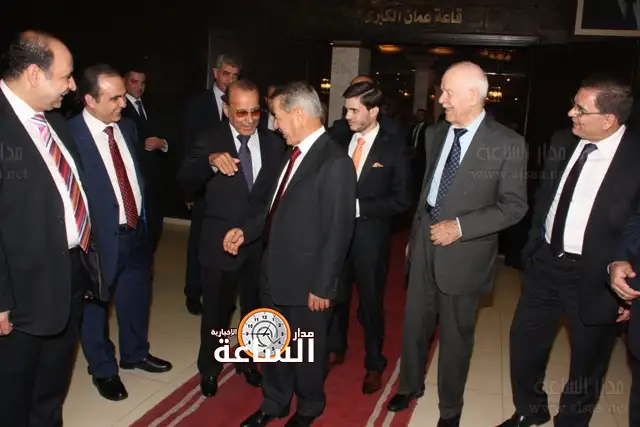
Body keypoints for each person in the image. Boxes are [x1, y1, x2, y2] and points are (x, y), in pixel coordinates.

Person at [386, 61, 528, 427]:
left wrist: (461, 227)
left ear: (473, 96)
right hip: (425, 241)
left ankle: (450, 409)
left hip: (465, 252)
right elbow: (428, 190)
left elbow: (514, 206)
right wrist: (415, 235)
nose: (441, 99)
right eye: (442, 91)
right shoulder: (436, 134)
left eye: (449, 92)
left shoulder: (508, 143)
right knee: (414, 323)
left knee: (455, 337)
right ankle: (410, 385)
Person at [498, 77, 639, 427]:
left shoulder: (635, 157)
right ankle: (530, 410)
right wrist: (532, 248)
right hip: (545, 263)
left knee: (587, 363)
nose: (570, 113)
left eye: (580, 109)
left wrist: (629, 283)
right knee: (524, 343)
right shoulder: (563, 140)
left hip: (597, 274)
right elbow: (545, 198)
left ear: (608, 120)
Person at [223, 81, 357, 427]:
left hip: (309, 281)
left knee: (307, 351)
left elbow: (339, 232)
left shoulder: (335, 162)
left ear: (297, 114)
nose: (274, 125)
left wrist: (324, 286)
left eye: (277, 117)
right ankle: (275, 402)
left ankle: (310, 406)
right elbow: (274, 208)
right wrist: (247, 231)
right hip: (274, 271)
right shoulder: (292, 153)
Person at [0, 30, 102, 427]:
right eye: (66, 76)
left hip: (68, 277)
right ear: (33, 74)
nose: (73, 86)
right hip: (18, 296)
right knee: (12, 396)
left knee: (50, 389)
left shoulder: (55, 122)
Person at [68, 64, 172, 402]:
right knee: (96, 306)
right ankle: (103, 369)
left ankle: (135, 353)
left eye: (123, 96)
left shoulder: (127, 127)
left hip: (137, 231)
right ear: (89, 100)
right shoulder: (70, 135)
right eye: (114, 98)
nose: (123, 104)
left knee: (136, 296)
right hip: (99, 240)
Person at [177, 79, 286, 397]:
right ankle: (209, 368)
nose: (250, 119)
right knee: (216, 310)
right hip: (218, 243)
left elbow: (273, 197)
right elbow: (183, 184)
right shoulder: (209, 140)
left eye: (255, 111)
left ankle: (248, 363)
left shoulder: (274, 143)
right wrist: (209, 163)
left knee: (254, 308)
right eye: (241, 112)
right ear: (226, 110)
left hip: (257, 243)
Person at [327, 81, 411, 394]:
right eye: (346, 109)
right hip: (336, 236)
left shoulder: (394, 147)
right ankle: (336, 347)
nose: (347, 116)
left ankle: (375, 362)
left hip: (370, 239)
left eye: (354, 110)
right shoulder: (338, 138)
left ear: (373, 111)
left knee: (371, 302)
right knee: (335, 295)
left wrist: (359, 207)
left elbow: (402, 200)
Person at [181, 54, 243, 315]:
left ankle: (223, 296)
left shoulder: (242, 104)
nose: (230, 79)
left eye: (235, 75)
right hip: (203, 183)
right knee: (199, 241)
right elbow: (188, 146)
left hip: (232, 185)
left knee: (229, 242)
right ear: (215, 73)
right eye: (226, 74)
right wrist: (189, 189)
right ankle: (193, 292)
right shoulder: (198, 103)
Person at [121, 66, 169, 261]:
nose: (139, 87)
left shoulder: (152, 105)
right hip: (133, 181)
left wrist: (163, 143)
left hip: (155, 182)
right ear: (124, 81)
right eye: (134, 82)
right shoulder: (119, 108)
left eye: (143, 83)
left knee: (155, 229)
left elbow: (169, 132)